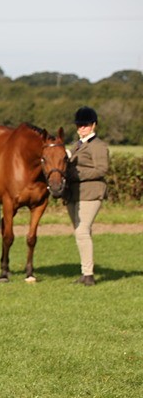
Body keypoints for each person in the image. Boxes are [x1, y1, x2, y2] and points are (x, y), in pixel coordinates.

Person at [65, 106, 111, 286]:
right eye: (79, 125)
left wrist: (76, 175)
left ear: (93, 125)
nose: (82, 128)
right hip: (74, 193)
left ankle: (88, 274)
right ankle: (85, 273)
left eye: (85, 125)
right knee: (81, 232)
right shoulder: (76, 145)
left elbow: (102, 169)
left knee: (82, 231)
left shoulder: (98, 146)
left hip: (91, 192)